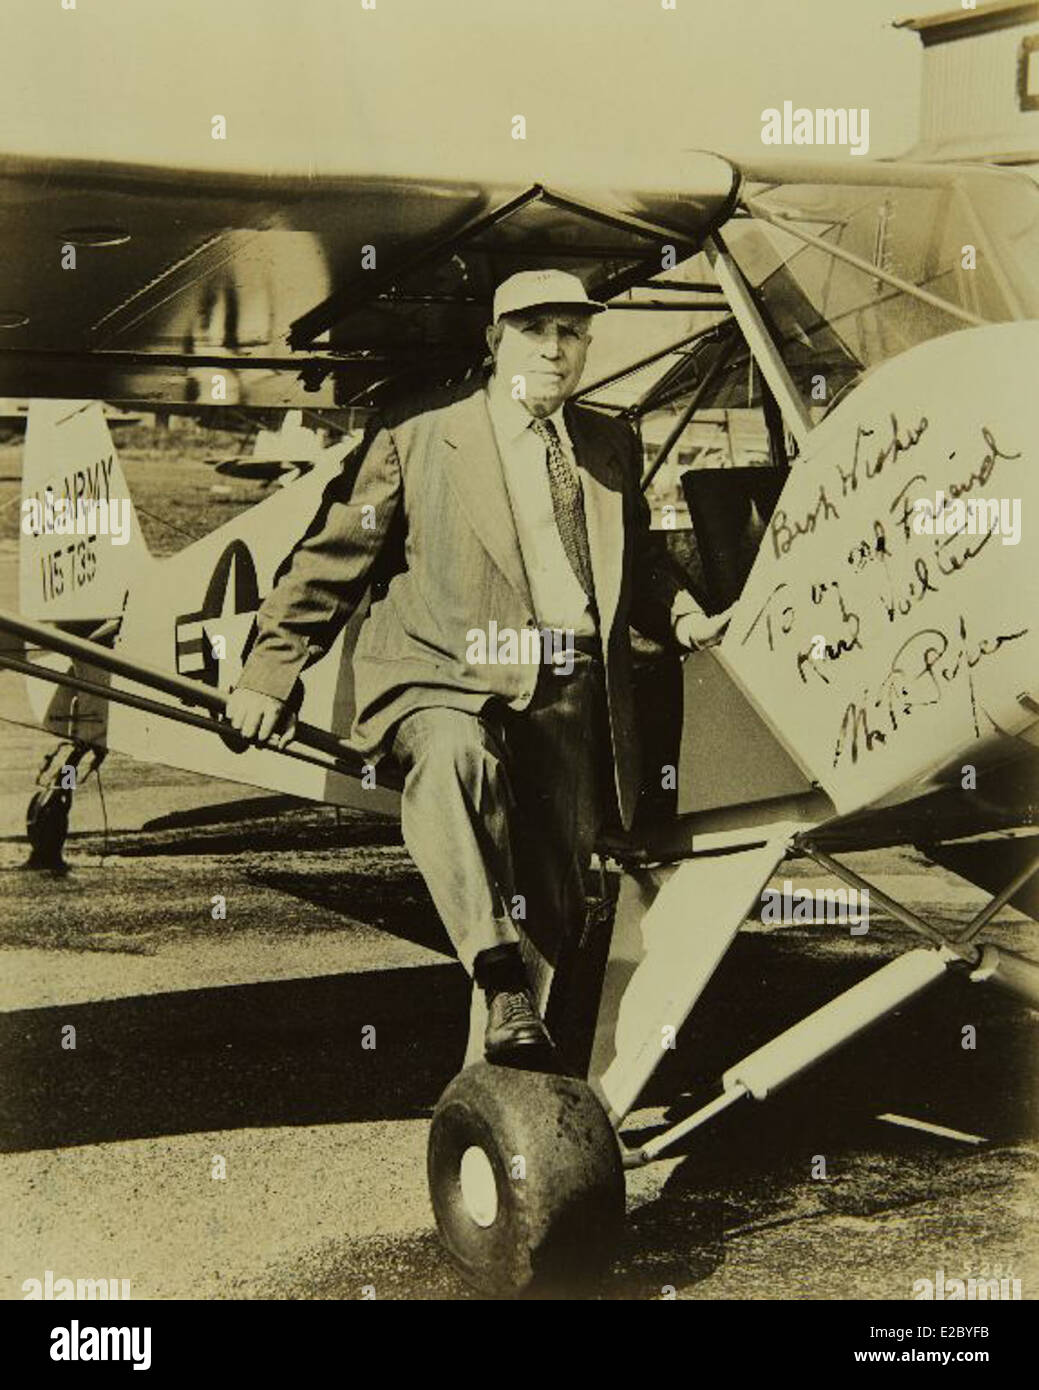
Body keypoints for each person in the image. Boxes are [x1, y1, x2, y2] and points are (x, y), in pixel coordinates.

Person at [226, 269, 730, 1068]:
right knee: (456, 760)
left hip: (567, 685)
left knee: (554, 899)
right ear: (496, 341)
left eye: (571, 331)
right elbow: (332, 560)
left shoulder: (606, 443)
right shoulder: (417, 430)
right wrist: (268, 671)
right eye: (535, 330)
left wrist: (682, 615)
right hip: (440, 671)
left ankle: (501, 1080)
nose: (555, 348)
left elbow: (634, 563)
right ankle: (496, 977)